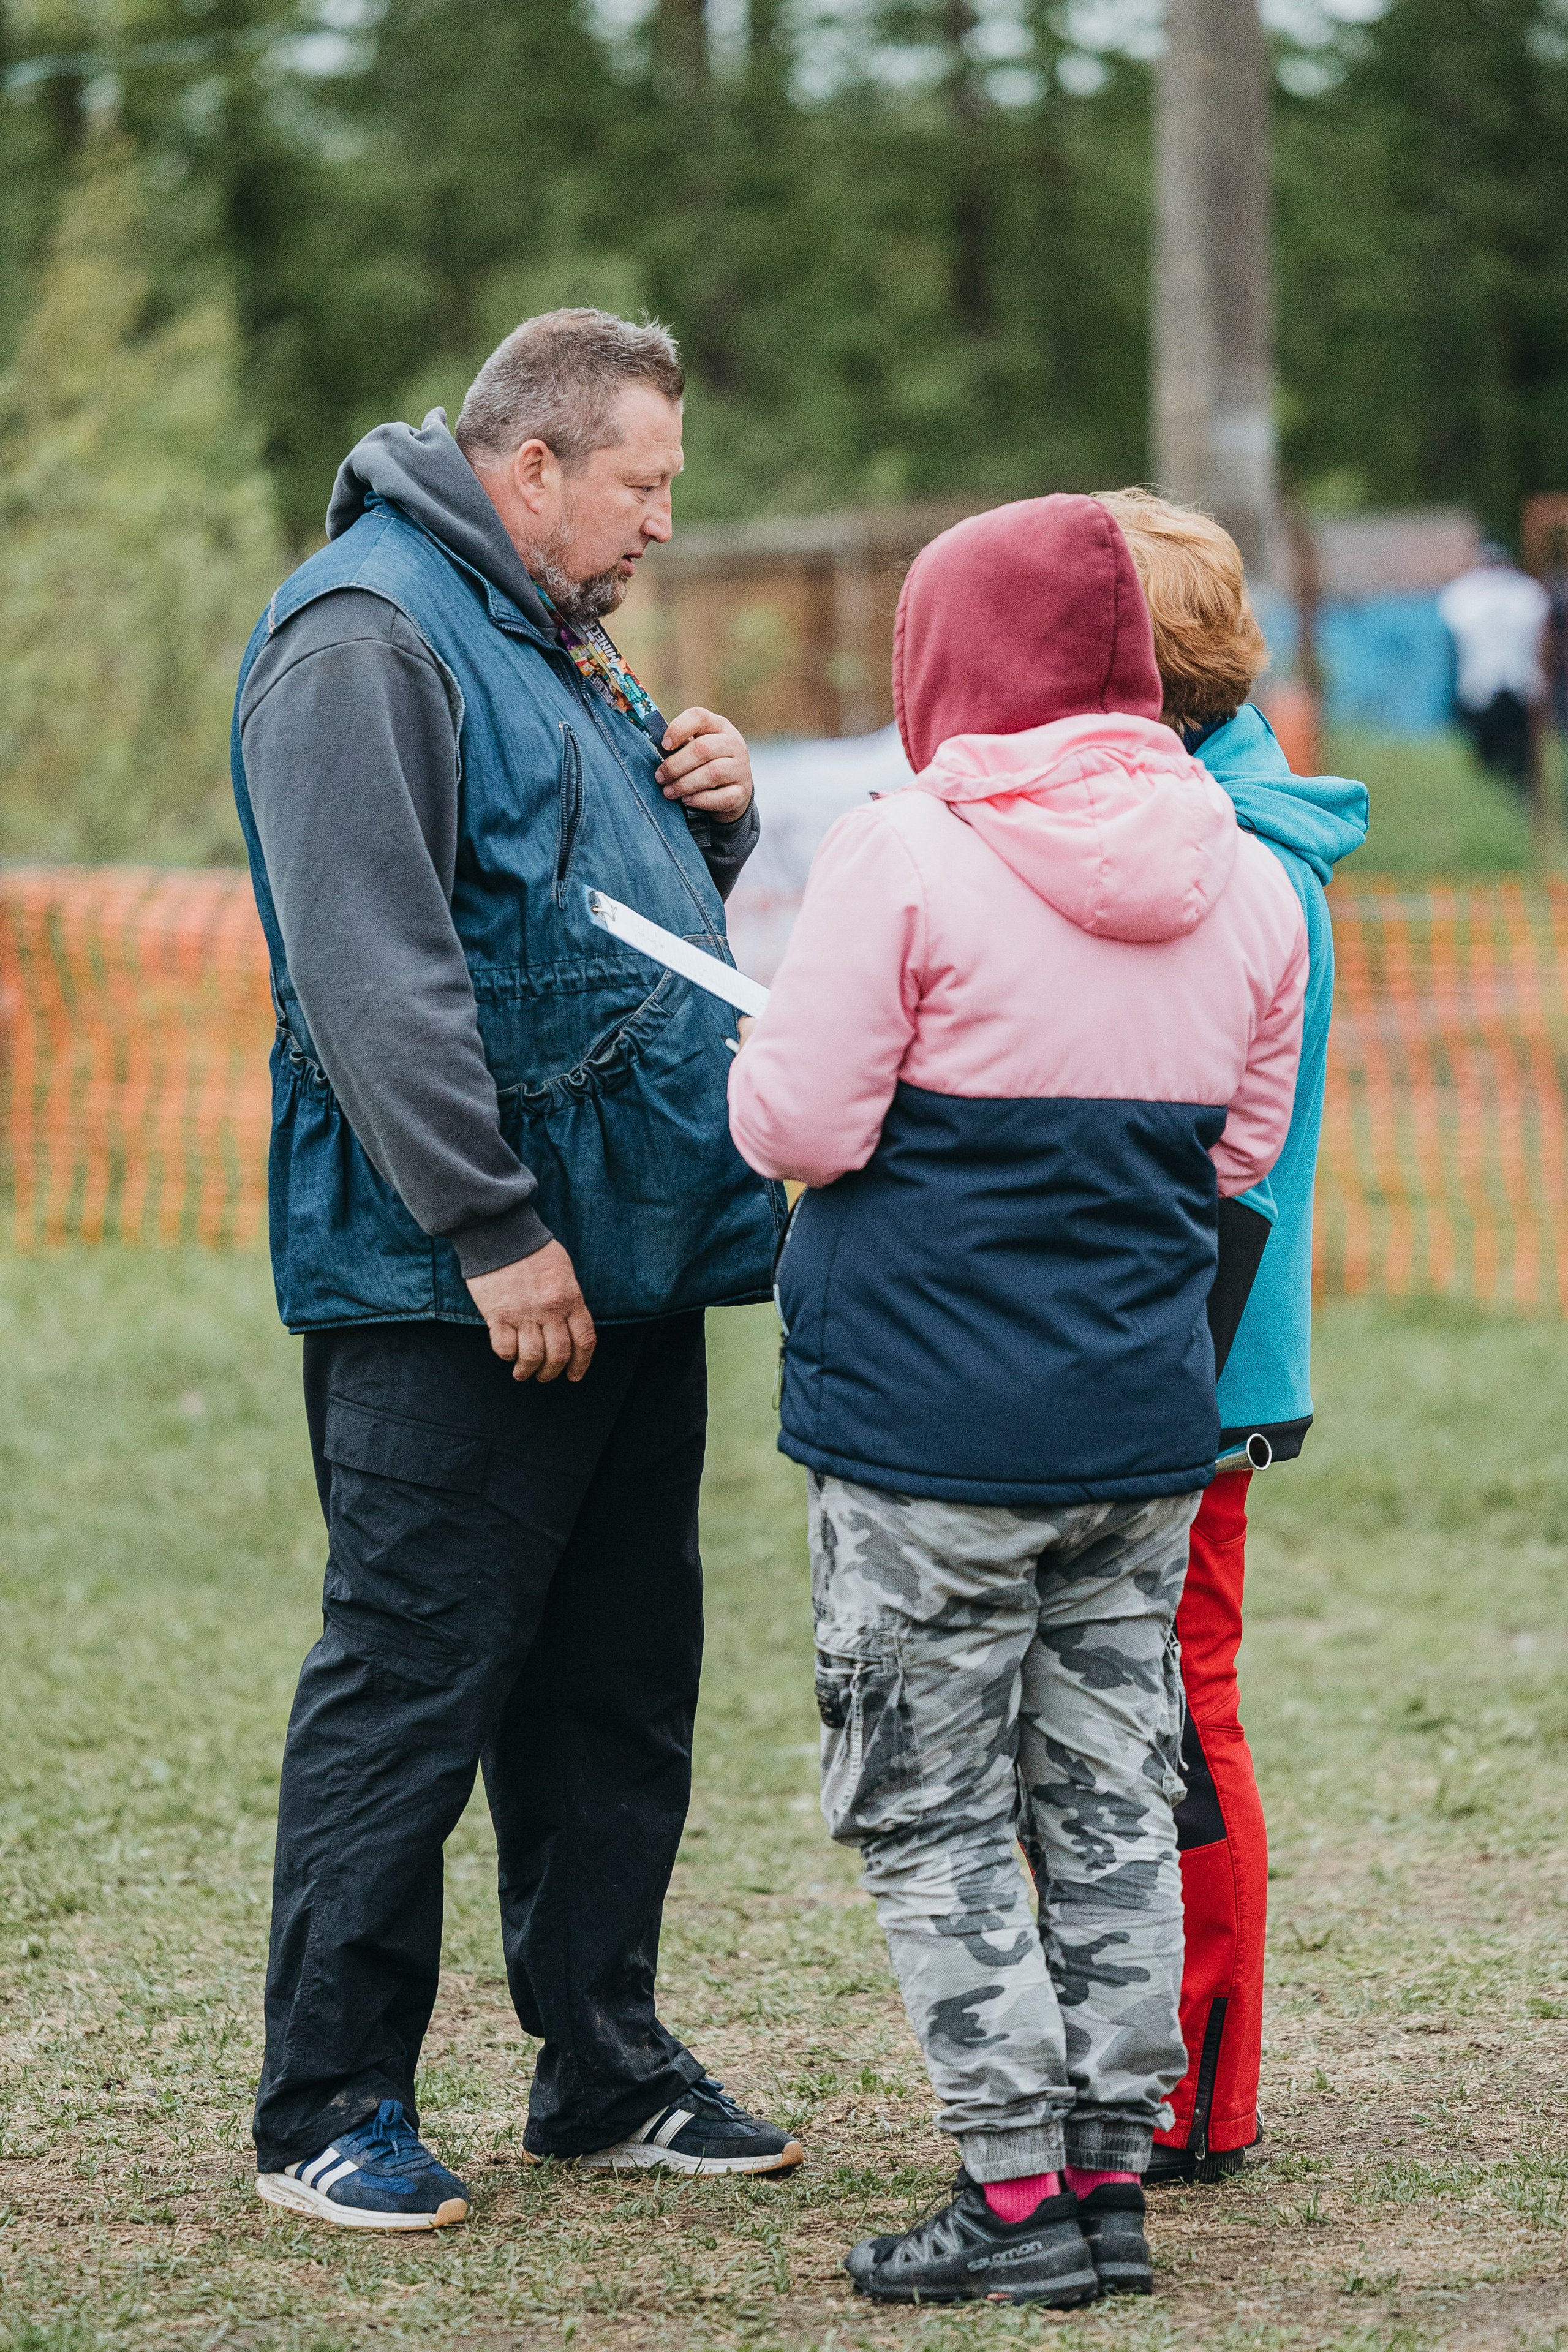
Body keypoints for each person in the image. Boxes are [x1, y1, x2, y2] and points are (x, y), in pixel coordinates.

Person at [232, 309, 802, 2232]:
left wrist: (715, 818)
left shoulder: (551, 630)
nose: (663, 522)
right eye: (645, 482)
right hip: (454, 1279)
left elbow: (577, 920)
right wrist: (489, 1222)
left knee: (616, 1686)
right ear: (533, 465)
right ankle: (329, 2105)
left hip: (629, 1254)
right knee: (412, 1681)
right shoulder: (363, 635)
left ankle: (605, 2069)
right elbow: (370, 965)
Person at [727, 495, 1308, 2305]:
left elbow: (794, 1121)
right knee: (1112, 1799)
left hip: (923, 1436)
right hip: (1139, 1429)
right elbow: (1237, 1153)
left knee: (933, 1807)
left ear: (949, 653)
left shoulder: (902, 850)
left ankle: (1009, 2194)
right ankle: (1110, 2179)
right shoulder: (1246, 874)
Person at [1098, 489, 1368, 2184]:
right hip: (1160, 1349)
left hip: (1189, 1359)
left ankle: (1200, 2082)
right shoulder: (1206, 826)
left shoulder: (1240, 862)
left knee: (1179, 1710)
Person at [1436, 545, 1550, 789]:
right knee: (1497, 752)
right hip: (1488, 682)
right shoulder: (1523, 592)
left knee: (1511, 752)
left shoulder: (1464, 593)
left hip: (1509, 682)